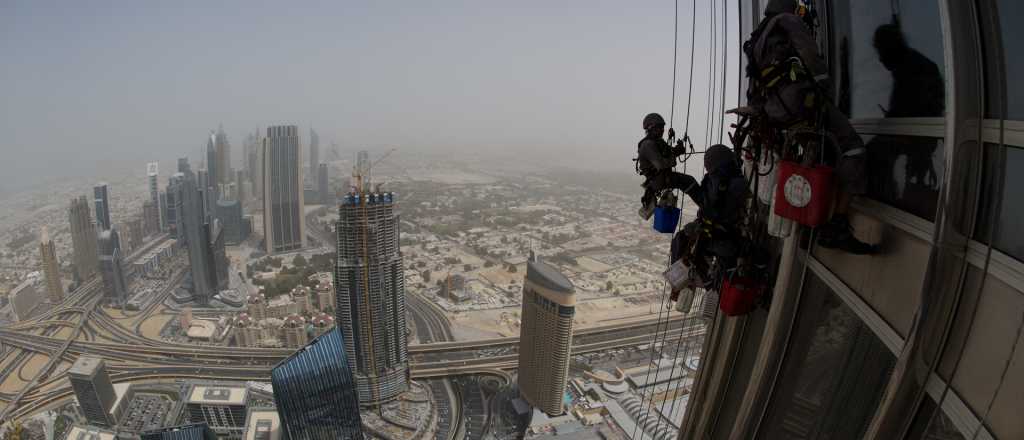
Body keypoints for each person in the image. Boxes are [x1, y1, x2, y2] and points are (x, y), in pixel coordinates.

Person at [745, 0, 875, 254]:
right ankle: (836, 225)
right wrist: (825, 87)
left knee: (815, 159)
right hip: (800, 102)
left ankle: (809, 225)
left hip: (777, 111)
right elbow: (810, 55)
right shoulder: (787, 21)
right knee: (853, 149)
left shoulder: (758, 38)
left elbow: (755, 87)